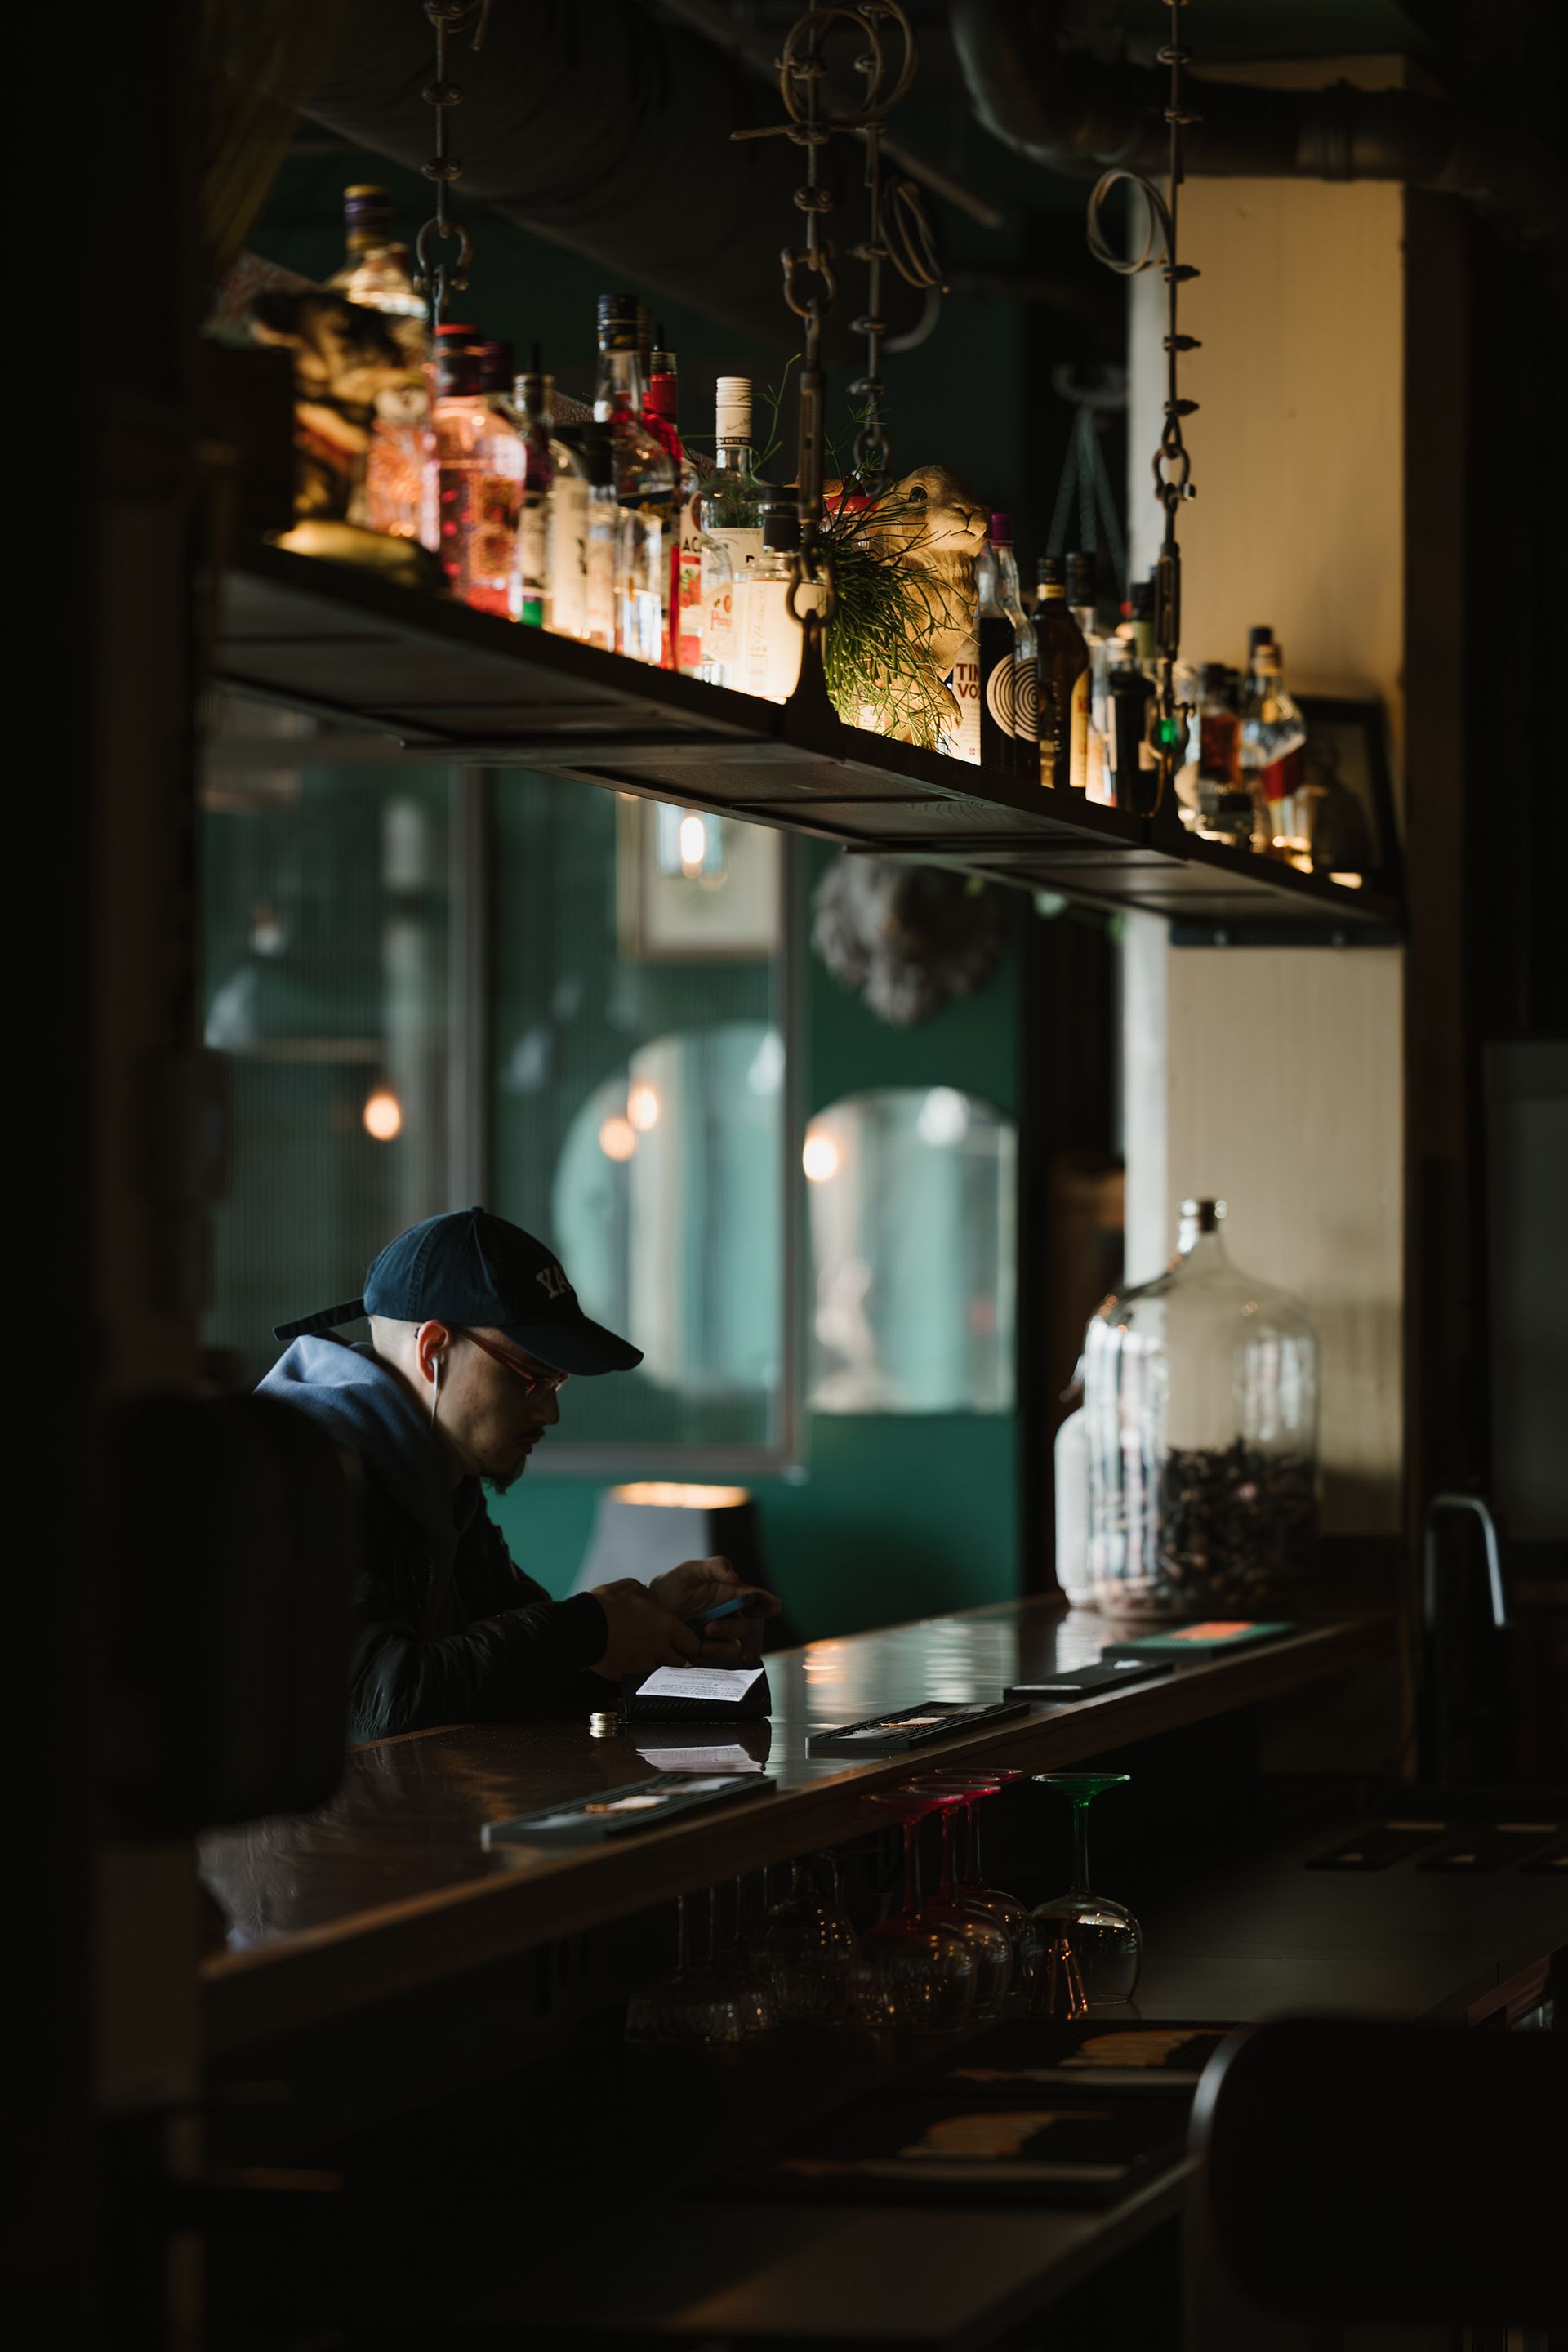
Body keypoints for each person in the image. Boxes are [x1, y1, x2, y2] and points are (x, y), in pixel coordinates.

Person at [260, 1205, 778, 1741]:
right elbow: (372, 1703)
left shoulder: (441, 1480)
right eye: (529, 1377)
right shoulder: (295, 1476)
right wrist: (588, 1631)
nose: (550, 1412)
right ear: (434, 1351)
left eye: (558, 1382)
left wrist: (653, 1621)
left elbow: (520, 1670)